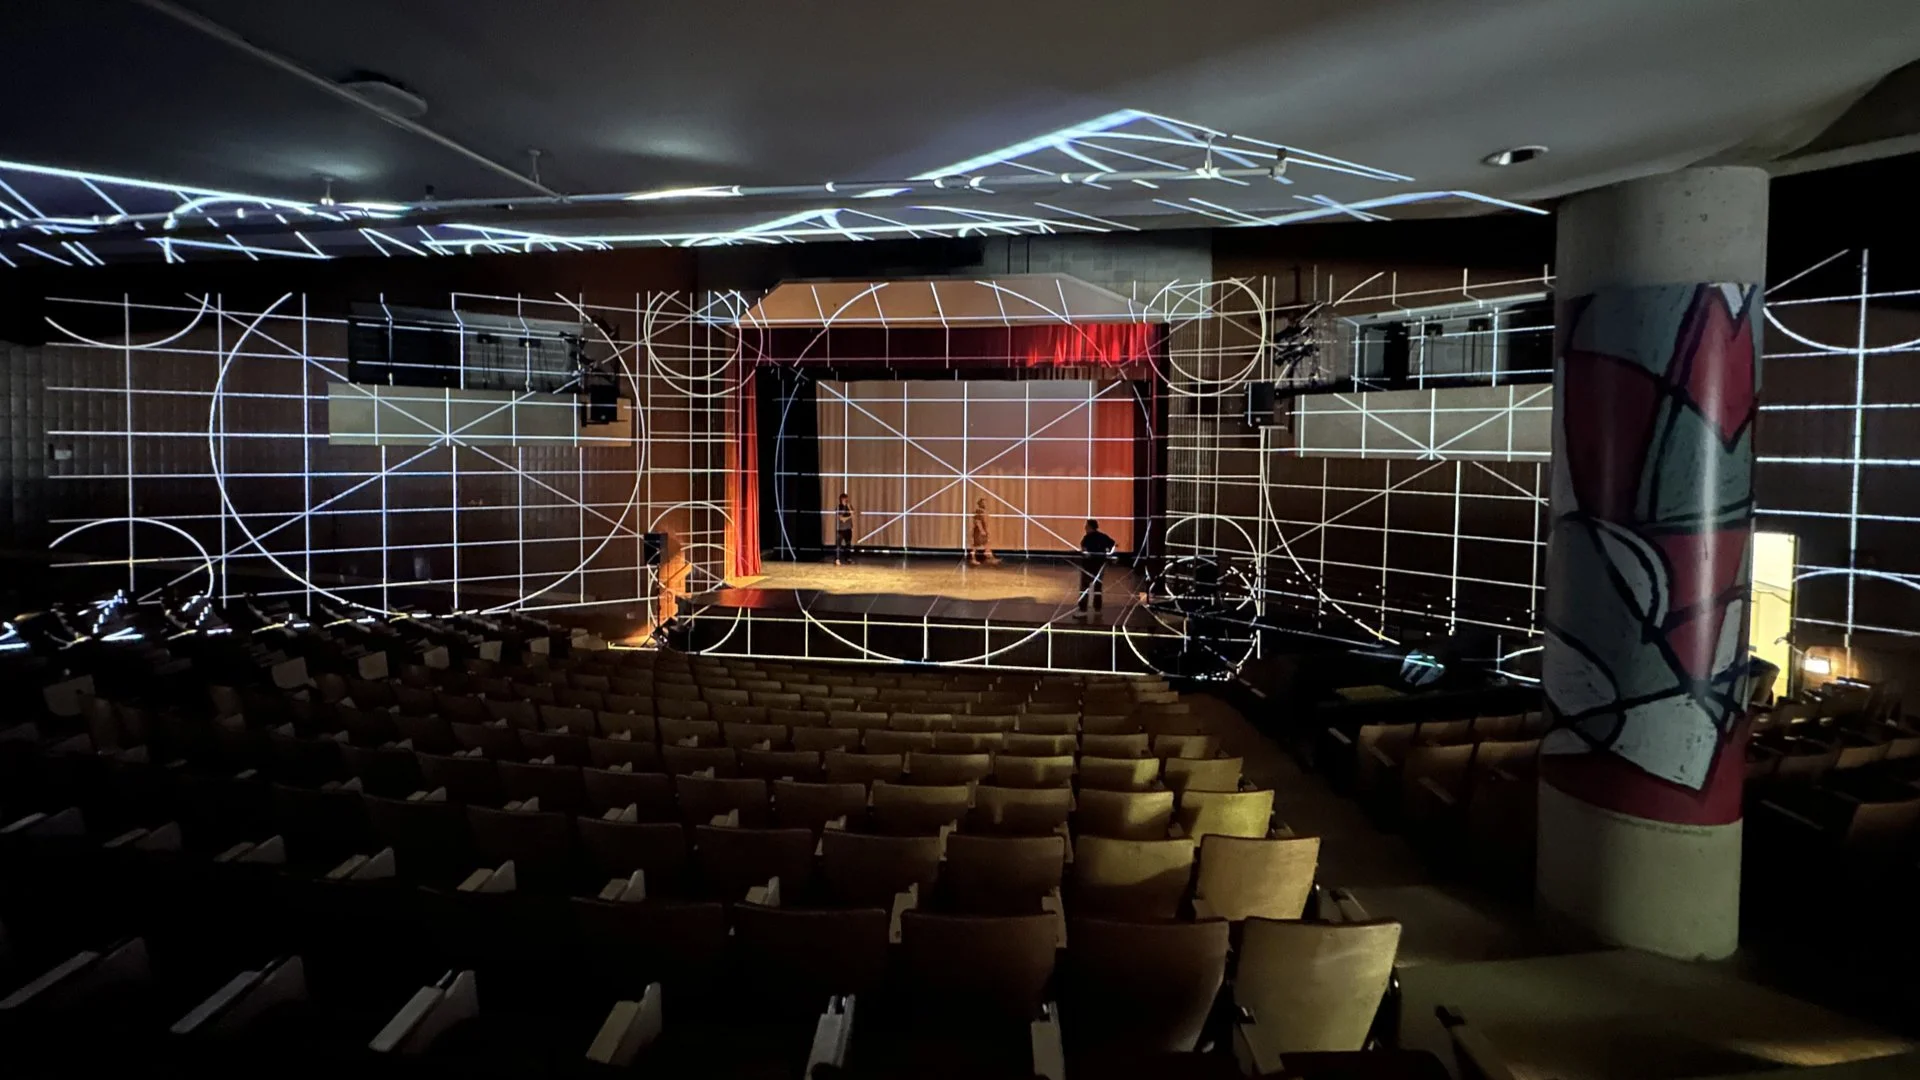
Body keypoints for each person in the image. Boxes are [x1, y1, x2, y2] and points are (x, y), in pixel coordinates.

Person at [1077, 519, 1117, 618]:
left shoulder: (1087, 538)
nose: (1085, 527)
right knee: (1097, 587)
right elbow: (1113, 544)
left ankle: (1083, 610)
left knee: (1085, 588)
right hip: (1099, 566)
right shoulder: (1103, 537)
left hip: (1089, 566)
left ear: (1090, 527)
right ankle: (1097, 609)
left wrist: (1086, 554)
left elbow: (1084, 550)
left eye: (1086, 526)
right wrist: (1110, 553)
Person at [968, 497, 1000, 566]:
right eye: (984, 503)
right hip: (978, 532)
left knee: (986, 544)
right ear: (981, 504)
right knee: (976, 546)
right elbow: (977, 521)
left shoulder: (982, 511)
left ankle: (991, 558)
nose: (985, 504)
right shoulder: (979, 512)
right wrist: (982, 530)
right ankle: (973, 559)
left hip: (981, 531)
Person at [833, 493, 856, 565]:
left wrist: (849, 507)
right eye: (845, 499)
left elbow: (853, 514)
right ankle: (837, 559)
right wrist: (849, 517)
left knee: (848, 544)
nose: (846, 500)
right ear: (841, 499)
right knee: (838, 545)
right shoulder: (839, 507)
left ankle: (848, 558)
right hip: (841, 529)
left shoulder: (849, 506)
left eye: (847, 499)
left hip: (848, 529)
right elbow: (842, 519)